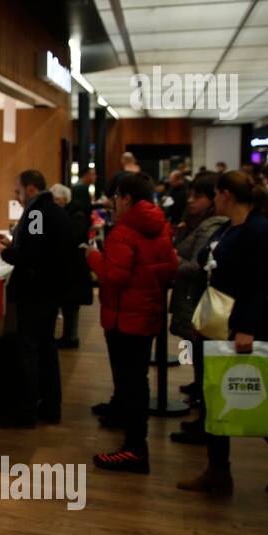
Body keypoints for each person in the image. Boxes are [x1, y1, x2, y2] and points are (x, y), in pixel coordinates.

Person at [178, 171, 268, 496]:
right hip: (219, 321)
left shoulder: (259, 232)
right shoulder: (232, 227)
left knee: (248, 397)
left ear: (225, 194)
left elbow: (259, 286)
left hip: (244, 325)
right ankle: (218, 468)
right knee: (214, 396)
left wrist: (247, 329)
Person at [87, 172, 179, 473]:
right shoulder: (161, 226)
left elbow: (114, 277)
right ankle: (134, 443)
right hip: (148, 313)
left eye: (115, 198)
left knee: (130, 382)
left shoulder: (124, 232)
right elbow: (170, 269)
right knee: (137, 380)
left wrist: (93, 258)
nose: (112, 204)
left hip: (123, 317)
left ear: (126, 197)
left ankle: (135, 450)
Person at [0, 170, 71, 428]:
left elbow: (32, 255)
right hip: (51, 290)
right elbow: (40, 246)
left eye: (18, 191)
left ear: (31, 189)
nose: (17, 196)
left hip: (35, 292)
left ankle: (25, 412)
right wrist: (14, 243)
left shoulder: (36, 212)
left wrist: (4, 251)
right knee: (47, 349)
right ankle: (50, 406)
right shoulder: (53, 210)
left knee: (30, 350)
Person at [168, 174, 228, 445]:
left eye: (199, 196)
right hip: (193, 300)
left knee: (204, 362)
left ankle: (207, 423)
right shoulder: (198, 224)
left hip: (199, 301)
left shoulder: (212, 227)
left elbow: (196, 265)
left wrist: (168, 259)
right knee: (197, 359)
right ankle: (203, 414)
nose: (192, 201)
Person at [51, 183, 93, 349]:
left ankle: (70, 337)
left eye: (56, 199)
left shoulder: (75, 213)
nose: (54, 203)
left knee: (70, 304)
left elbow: (73, 236)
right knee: (69, 303)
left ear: (64, 199)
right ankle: (69, 336)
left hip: (73, 266)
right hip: (71, 265)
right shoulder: (73, 212)